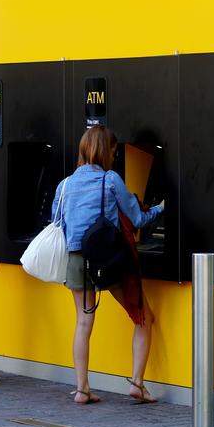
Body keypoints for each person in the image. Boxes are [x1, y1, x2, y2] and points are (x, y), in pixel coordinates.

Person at [52, 126, 164, 405]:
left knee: (83, 321)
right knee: (143, 318)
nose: (114, 156)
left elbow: (57, 223)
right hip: (108, 259)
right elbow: (138, 219)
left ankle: (82, 389)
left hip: (77, 259)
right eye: (114, 151)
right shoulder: (110, 179)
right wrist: (162, 207)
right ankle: (137, 383)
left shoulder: (64, 185)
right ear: (107, 150)